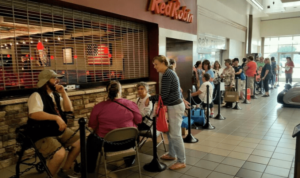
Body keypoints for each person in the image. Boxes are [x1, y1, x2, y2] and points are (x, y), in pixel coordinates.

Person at [27, 70, 80, 178]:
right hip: (42, 132)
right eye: (54, 78)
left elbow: (68, 109)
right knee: (60, 154)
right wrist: (56, 117)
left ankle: (65, 170)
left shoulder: (55, 95)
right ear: (45, 81)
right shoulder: (36, 95)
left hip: (56, 129)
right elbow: (33, 114)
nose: (57, 80)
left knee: (80, 142)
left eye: (58, 78)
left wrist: (64, 93)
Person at [88, 80, 142, 172]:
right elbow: (138, 121)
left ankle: (90, 168)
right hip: (129, 142)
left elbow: (93, 125)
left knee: (90, 139)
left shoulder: (98, 107)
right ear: (120, 91)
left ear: (107, 92)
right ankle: (129, 160)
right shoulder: (131, 104)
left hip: (107, 145)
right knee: (136, 133)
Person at [145, 55, 186, 170]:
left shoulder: (167, 74)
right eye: (154, 64)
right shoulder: (168, 73)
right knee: (170, 132)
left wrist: (151, 98)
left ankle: (181, 161)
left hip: (175, 107)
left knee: (175, 134)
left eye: (156, 64)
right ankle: (172, 154)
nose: (154, 67)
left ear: (163, 62)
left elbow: (164, 95)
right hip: (173, 106)